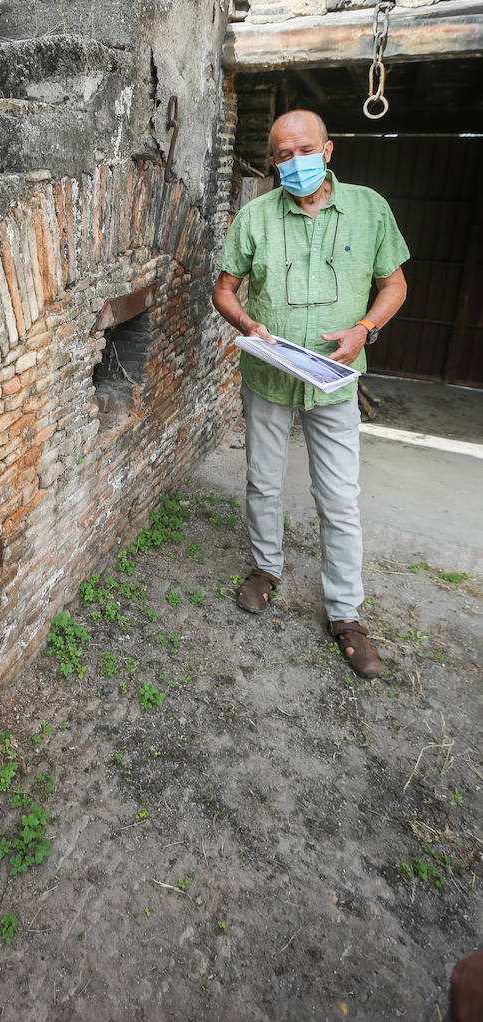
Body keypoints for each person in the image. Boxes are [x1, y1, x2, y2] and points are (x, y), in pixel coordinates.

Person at [212, 109, 409, 677]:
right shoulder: (255, 217)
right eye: (280, 155)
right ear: (273, 163)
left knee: (339, 498)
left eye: (302, 151)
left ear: (328, 150)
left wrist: (364, 330)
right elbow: (225, 289)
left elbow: (394, 283)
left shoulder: (369, 209)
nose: (292, 163)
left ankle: (345, 614)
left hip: (334, 382)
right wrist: (248, 326)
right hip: (271, 374)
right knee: (262, 480)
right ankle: (265, 569)